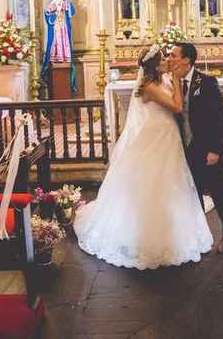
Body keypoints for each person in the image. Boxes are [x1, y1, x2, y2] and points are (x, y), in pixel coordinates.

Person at [74, 44, 213, 268]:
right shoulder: (149, 85)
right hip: (155, 137)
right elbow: (177, 106)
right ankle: (148, 237)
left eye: (169, 56)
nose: (168, 60)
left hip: (167, 136)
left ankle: (173, 230)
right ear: (155, 64)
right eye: (163, 58)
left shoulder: (162, 79)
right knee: (152, 183)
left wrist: (174, 78)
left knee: (171, 183)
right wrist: (176, 80)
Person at [170, 42, 223, 253]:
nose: (170, 59)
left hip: (208, 149)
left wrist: (215, 149)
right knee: (193, 193)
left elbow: (219, 118)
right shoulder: (173, 84)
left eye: (174, 55)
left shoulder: (206, 82)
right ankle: (199, 236)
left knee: (218, 192)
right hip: (186, 149)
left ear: (187, 60)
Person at [41, 0, 76, 93]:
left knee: (64, 42)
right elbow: (47, 13)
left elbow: (72, 11)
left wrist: (66, 4)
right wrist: (55, 9)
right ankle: (56, 56)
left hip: (64, 29)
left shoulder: (65, 4)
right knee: (55, 42)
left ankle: (64, 56)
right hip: (56, 28)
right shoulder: (52, 4)